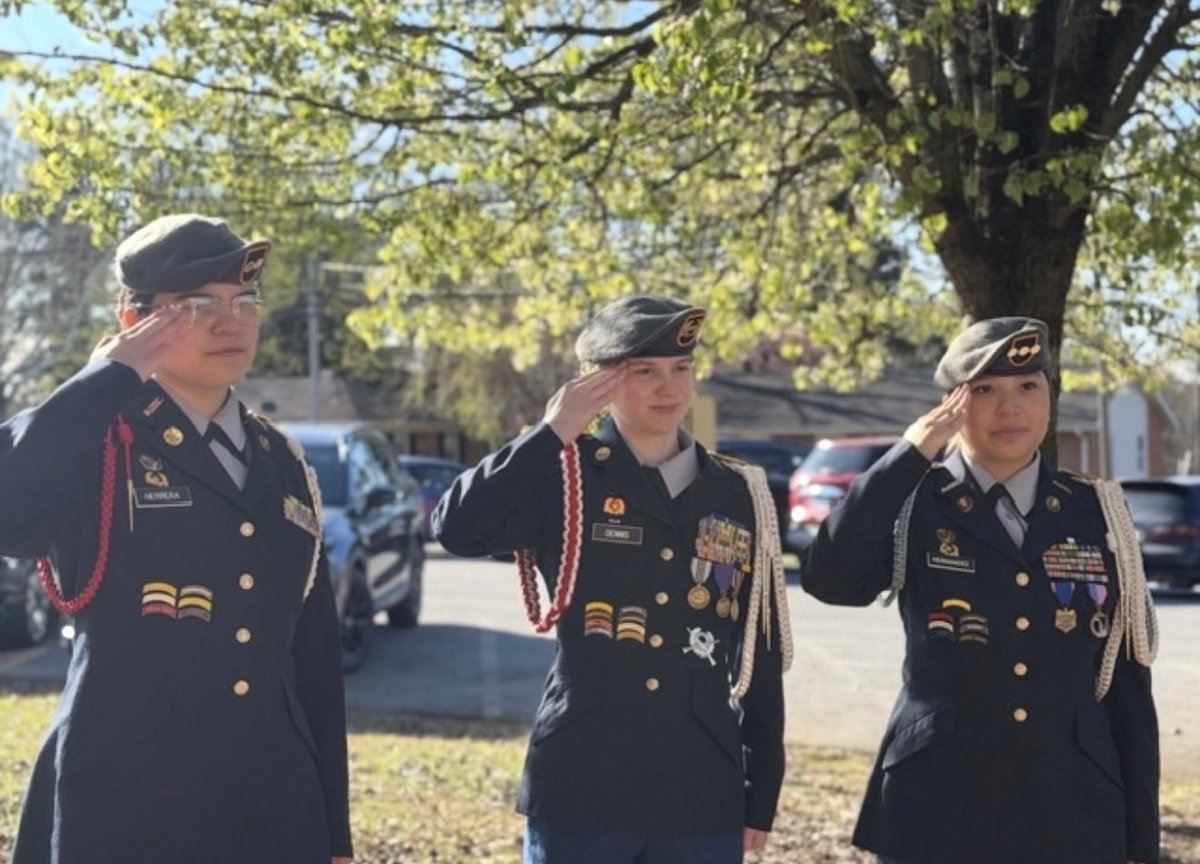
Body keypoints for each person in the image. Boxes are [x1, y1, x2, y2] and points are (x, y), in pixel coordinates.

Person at [0, 214, 353, 864]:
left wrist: (333, 829)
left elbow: (312, 657)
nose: (231, 322)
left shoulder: (284, 461)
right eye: (198, 306)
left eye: (243, 302)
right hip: (125, 806)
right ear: (136, 321)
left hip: (269, 806)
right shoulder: (99, 437)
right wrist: (109, 376)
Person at [433, 295, 792, 864]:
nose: (667, 389)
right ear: (598, 384)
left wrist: (761, 786)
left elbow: (758, 650)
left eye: (681, 370)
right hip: (583, 785)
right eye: (643, 372)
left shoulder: (738, 493)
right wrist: (552, 433)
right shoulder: (564, 474)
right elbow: (458, 529)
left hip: (700, 790)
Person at [801, 317, 1159, 864]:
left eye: (1027, 387)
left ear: (1050, 396)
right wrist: (908, 455)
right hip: (937, 806)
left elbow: (1127, 685)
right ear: (950, 407)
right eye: (985, 390)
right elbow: (830, 578)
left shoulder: (1097, 513)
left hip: (1073, 811)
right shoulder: (917, 501)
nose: (1009, 408)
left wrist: (1140, 840)